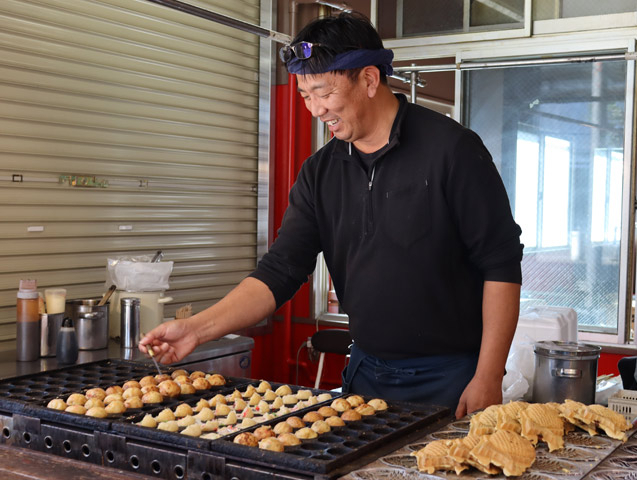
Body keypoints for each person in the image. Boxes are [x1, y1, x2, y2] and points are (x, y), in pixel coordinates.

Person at [139, 12, 523, 419]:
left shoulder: (452, 151)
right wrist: (196, 330)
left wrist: (488, 374)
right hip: (367, 371)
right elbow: (280, 270)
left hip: (452, 375)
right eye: (305, 95)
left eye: (323, 92)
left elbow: (500, 264)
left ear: (370, 80)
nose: (315, 109)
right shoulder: (320, 172)